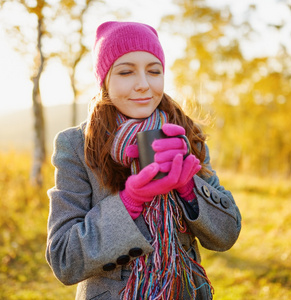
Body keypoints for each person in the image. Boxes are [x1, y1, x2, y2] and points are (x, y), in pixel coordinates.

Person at [46, 21, 242, 300]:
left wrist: (189, 189)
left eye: (154, 71)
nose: (143, 85)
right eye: (126, 72)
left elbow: (227, 234)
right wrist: (129, 202)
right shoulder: (76, 146)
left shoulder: (187, 136)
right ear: (104, 81)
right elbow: (64, 259)